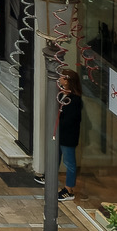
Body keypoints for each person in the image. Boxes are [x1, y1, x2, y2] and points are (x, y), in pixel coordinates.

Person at [34, 69, 82, 201]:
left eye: (61, 78)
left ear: (67, 80)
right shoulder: (63, 95)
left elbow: (70, 119)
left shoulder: (75, 100)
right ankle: (50, 177)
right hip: (59, 134)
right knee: (55, 157)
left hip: (68, 136)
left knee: (69, 162)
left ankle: (69, 189)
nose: (59, 79)